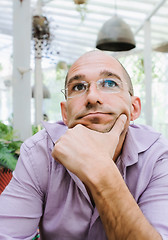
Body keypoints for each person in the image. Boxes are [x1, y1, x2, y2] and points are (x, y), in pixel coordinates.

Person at [0, 50, 168, 240]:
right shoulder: (39, 152)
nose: (92, 97)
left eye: (110, 83)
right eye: (79, 87)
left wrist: (101, 169)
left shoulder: (157, 155)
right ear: (65, 114)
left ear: (134, 108)